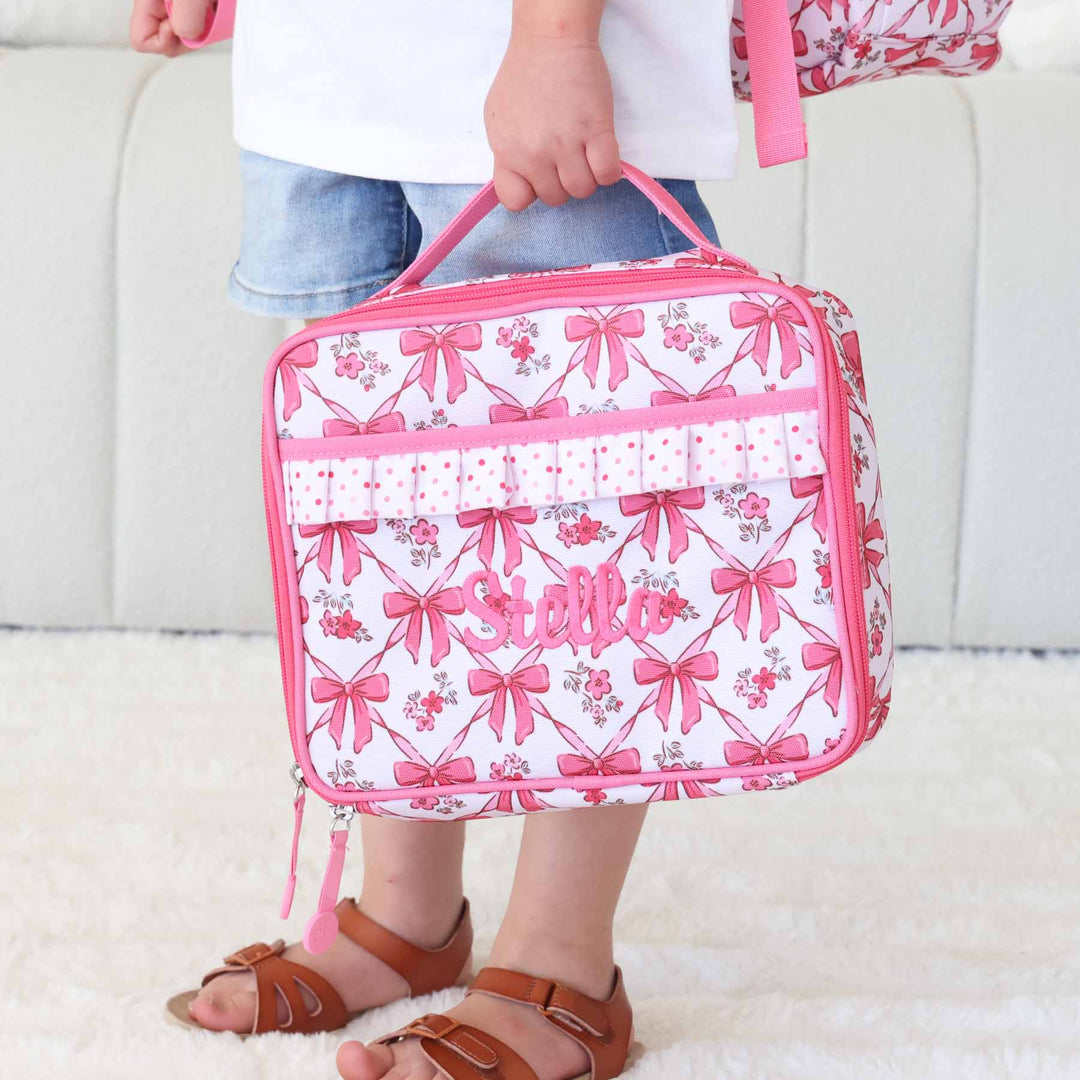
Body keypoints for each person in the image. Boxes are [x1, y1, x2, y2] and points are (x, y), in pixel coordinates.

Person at [131, 1, 739, 1076]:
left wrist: (556, 37)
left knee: (592, 548)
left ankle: (564, 969)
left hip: (535, 72)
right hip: (327, 85)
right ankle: (406, 918)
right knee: (384, 534)